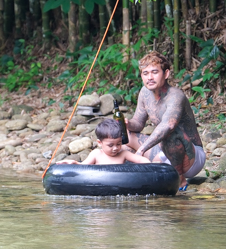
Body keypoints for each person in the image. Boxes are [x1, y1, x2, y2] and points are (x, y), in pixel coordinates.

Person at [125, 51, 205, 190]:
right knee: (123, 138)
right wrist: (126, 124)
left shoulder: (175, 96)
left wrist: (142, 149)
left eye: (154, 72)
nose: (150, 77)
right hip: (163, 152)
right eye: (145, 73)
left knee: (170, 131)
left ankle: (179, 179)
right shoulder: (144, 92)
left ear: (166, 74)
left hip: (190, 158)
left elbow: (169, 125)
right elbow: (138, 123)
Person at [57, 118, 151, 165]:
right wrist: (74, 163)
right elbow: (83, 166)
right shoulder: (97, 154)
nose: (115, 148)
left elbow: (140, 159)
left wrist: (149, 165)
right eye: (110, 145)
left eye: (119, 144)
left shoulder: (123, 154)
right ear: (99, 143)